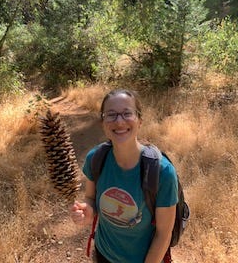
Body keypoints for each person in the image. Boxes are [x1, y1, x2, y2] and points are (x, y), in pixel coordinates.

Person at [70, 89, 178, 263]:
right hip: (103, 253)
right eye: (111, 115)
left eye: (127, 113)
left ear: (139, 120)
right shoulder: (96, 159)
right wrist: (88, 210)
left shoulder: (162, 172)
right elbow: (90, 197)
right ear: (103, 122)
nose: (119, 121)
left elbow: (164, 233)